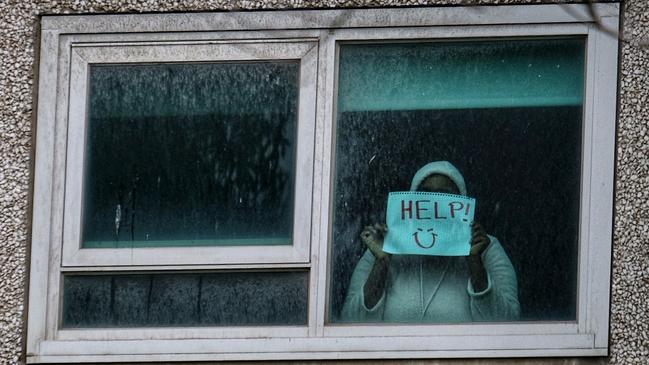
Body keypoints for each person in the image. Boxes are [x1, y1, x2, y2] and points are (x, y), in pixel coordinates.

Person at [341, 161, 520, 322]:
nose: (433, 203)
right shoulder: (386, 244)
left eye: (444, 195)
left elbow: (507, 324)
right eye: (425, 194)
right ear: (411, 202)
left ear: (460, 204)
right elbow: (350, 321)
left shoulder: (486, 248)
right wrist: (381, 262)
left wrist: (475, 263)